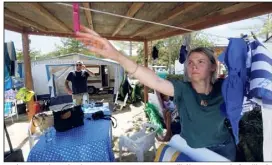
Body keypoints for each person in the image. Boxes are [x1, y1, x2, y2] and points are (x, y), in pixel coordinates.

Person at [74, 26, 236, 161]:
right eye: (190, 62)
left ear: (213, 67)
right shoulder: (182, 89)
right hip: (190, 150)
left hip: (222, 150)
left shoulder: (225, 87)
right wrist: (116, 55)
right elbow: (154, 80)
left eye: (201, 62)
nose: (194, 66)